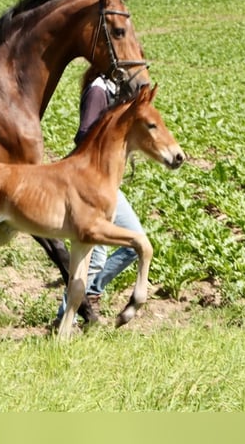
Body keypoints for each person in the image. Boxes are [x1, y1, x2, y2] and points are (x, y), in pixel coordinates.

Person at [55, 67, 146, 324]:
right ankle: (65, 318)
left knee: (129, 246)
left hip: (106, 184)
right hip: (91, 184)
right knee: (97, 255)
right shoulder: (98, 91)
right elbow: (84, 135)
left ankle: (90, 294)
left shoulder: (115, 92)